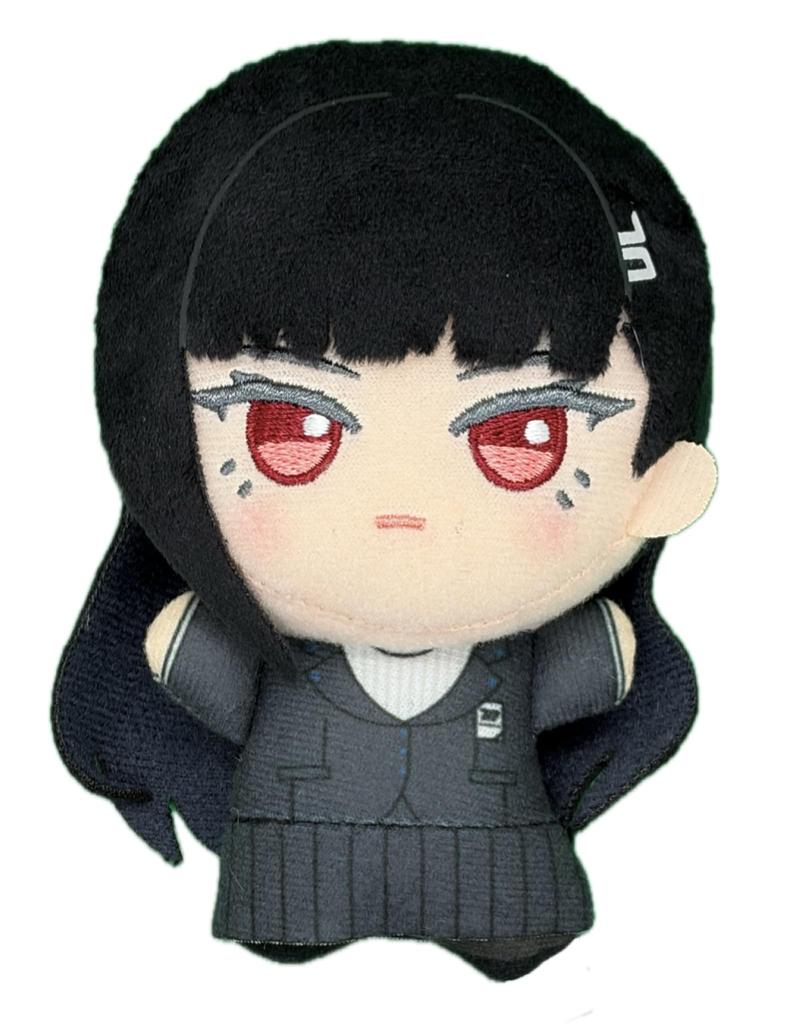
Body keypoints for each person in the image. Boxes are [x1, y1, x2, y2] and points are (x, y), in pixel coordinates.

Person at [52, 39, 716, 981]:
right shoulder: (256, 647)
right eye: (289, 426)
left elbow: (605, 667)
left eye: (524, 436)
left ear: (662, 478)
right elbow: (185, 661)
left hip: (499, 875)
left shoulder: (534, 657)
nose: (404, 508)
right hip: (292, 870)